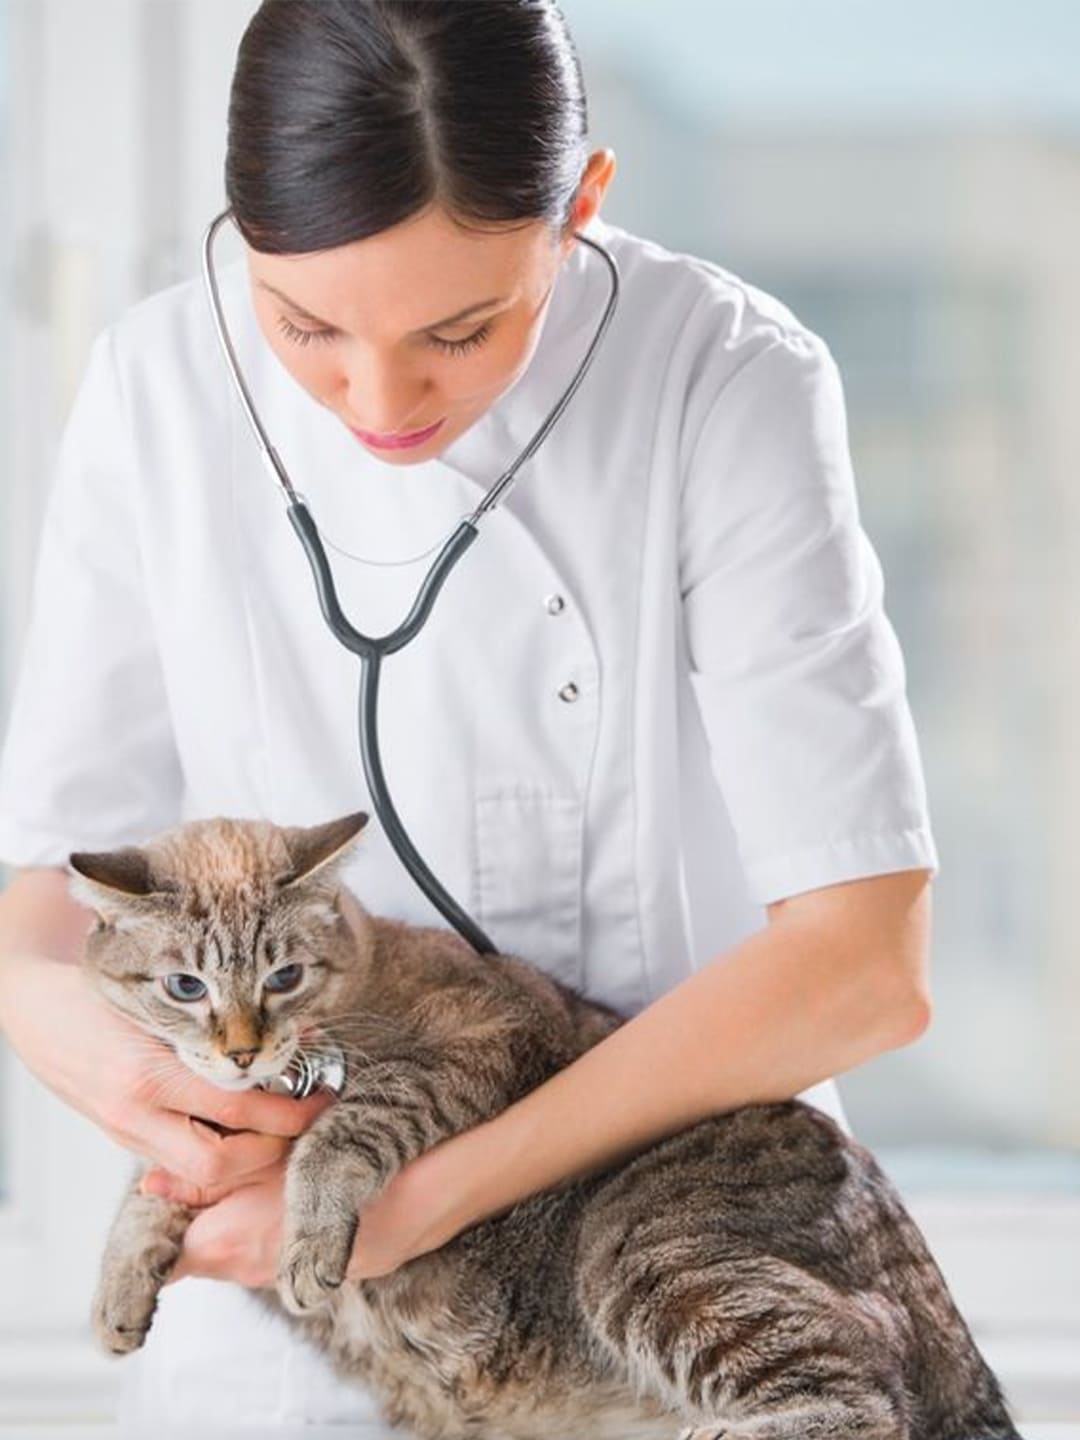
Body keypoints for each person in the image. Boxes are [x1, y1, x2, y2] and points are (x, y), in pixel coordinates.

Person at [0, 0, 938, 1430]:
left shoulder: (725, 380)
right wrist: (176, 1113)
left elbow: (863, 966)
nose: (378, 397)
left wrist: (405, 1199)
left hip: (671, 1265)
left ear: (584, 207)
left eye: (461, 327)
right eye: (303, 323)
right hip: (292, 1308)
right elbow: (42, 920)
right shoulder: (156, 382)